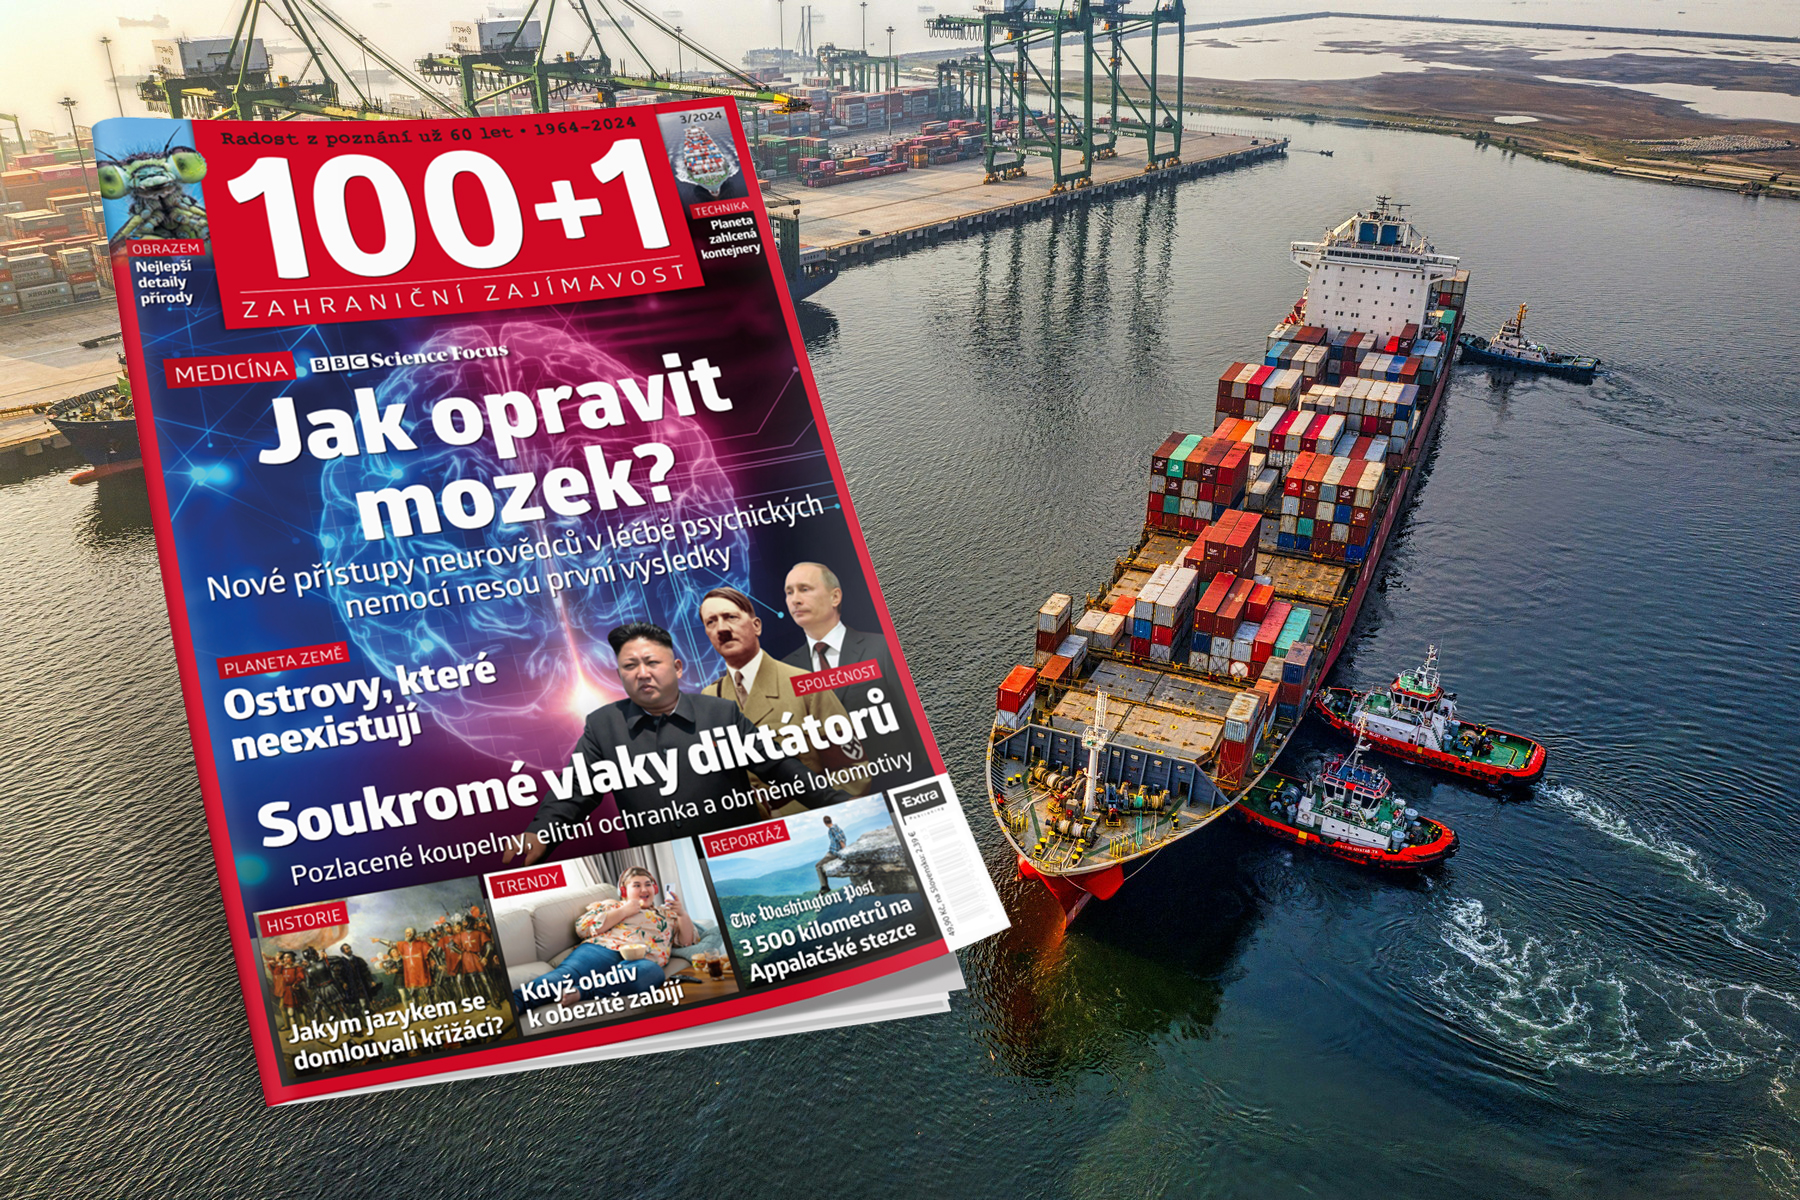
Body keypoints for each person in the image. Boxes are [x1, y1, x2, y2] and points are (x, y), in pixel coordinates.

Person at [506, 622, 850, 866]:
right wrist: (540, 832)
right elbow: (573, 790)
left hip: (738, 856)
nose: (642, 673)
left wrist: (841, 805)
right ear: (620, 675)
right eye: (630, 666)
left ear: (678, 667)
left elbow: (782, 768)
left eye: (652, 662)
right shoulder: (603, 726)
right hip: (666, 866)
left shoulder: (721, 713)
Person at [698, 586, 869, 808]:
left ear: (756, 626)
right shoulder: (709, 698)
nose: (722, 629)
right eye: (711, 622)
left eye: (731, 617)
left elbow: (854, 772)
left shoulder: (806, 685)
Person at [509, 867, 696, 1015]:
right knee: (561, 978)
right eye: (637, 885)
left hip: (641, 960)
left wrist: (681, 913)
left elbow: (686, 942)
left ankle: (583, 992)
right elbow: (583, 928)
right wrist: (623, 911)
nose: (644, 889)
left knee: (653, 973)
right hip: (601, 950)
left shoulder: (667, 915)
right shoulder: (612, 905)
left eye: (648, 884)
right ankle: (515, 1003)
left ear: (655, 889)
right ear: (624, 891)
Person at [373, 927, 434, 1008]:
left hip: (422, 972)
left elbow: (433, 954)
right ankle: (417, 1011)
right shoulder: (403, 945)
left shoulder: (422, 944)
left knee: (427, 991)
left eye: (408, 933)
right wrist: (379, 940)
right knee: (413, 993)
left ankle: (431, 1009)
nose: (406, 935)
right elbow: (391, 943)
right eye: (406, 933)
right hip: (411, 974)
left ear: (413, 934)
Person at [334, 943, 377, 1022]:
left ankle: (367, 1022)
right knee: (355, 1006)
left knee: (364, 1003)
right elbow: (338, 975)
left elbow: (365, 971)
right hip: (351, 988)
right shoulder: (341, 962)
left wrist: (371, 980)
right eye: (347, 949)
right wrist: (343, 982)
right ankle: (362, 1021)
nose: (349, 950)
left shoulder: (358, 960)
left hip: (361, 985)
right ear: (343, 951)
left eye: (349, 948)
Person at [815, 814, 849, 895]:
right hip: (833, 852)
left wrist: (844, 854)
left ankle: (825, 887)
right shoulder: (837, 827)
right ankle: (825, 886)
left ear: (824, 823)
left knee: (818, 866)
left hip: (834, 853)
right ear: (831, 820)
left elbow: (841, 840)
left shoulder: (832, 829)